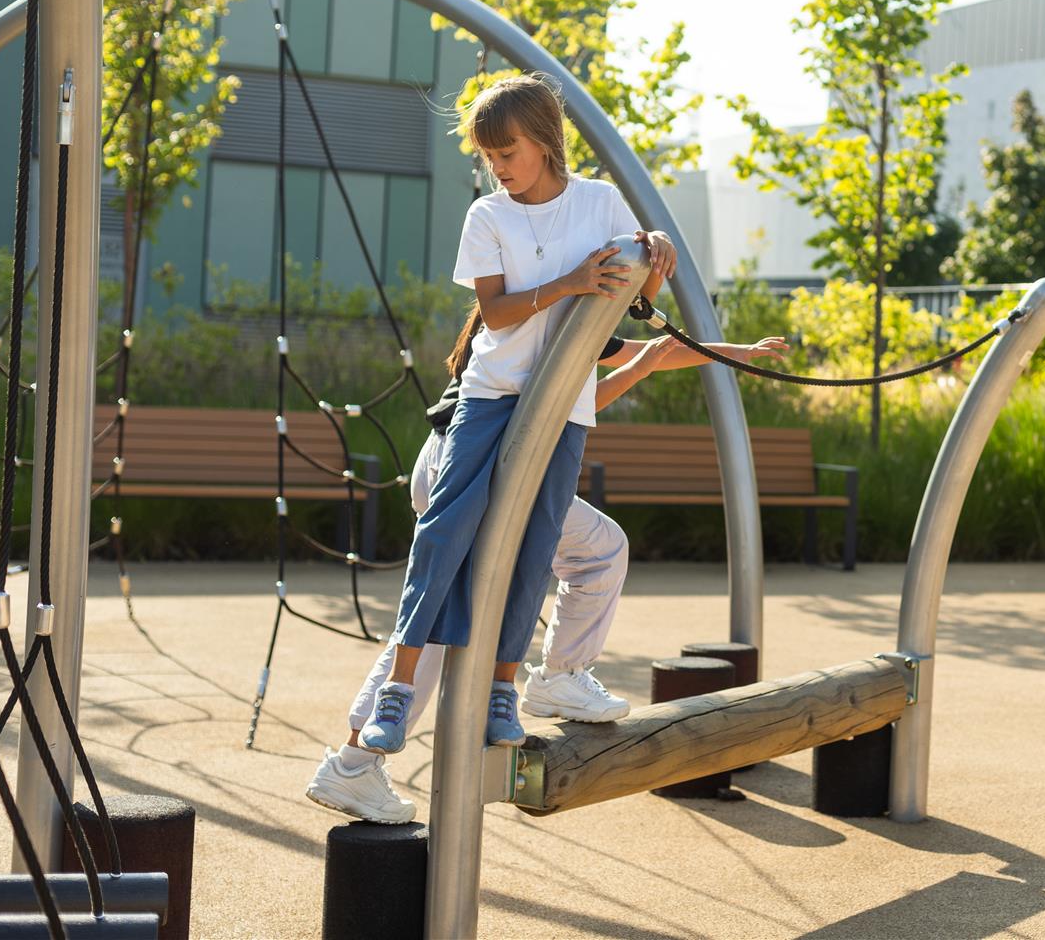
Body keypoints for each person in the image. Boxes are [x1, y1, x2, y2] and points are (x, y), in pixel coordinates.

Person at [306, 258, 788, 824]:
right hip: (489, 467)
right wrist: (680, 356)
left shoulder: (551, 314)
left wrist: (734, 352)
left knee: (443, 614)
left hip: (447, 462)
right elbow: (602, 379)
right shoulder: (555, 315)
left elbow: (632, 363)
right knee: (599, 551)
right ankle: (556, 676)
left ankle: (355, 761)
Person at [351, 70, 675, 761]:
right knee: (445, 533)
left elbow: (639, 294)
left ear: (547, 143)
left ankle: (505, 689)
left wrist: (655, 255)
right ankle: (397, 693)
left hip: (565, 405)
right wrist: (567, 282)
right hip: (494, 393)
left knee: (536, 547)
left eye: (508, 153)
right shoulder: (488, 215)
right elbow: (495, 311)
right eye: (489, 157)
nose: (498, 169)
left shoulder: (600, 203)